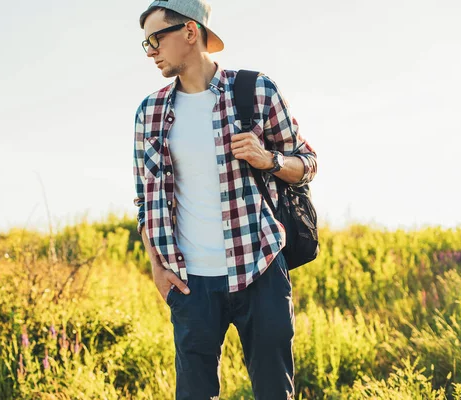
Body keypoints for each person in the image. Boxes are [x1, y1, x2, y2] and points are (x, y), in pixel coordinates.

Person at [132, 1, 318, 398]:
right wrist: (156, 266)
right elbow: (145, 200)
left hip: (260, 270)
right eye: (144, 43)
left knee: (273, 393)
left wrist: (268, 159)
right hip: (189, 284)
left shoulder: (254, 90)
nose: (149, 51)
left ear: (189, 32)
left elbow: (308, 162)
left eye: (155, 39)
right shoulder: (148, 112)